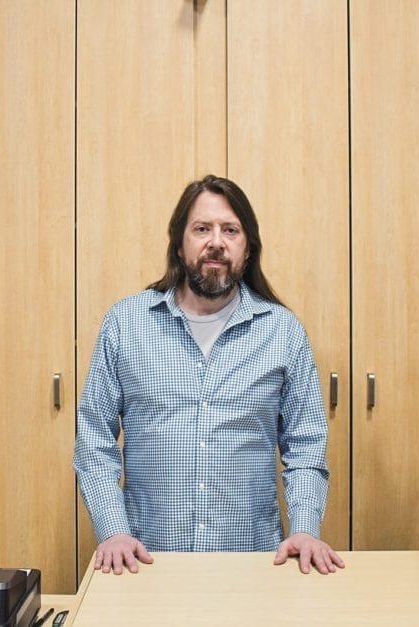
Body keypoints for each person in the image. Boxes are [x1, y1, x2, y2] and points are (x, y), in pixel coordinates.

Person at [73, 175, 344, 576]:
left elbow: (305, 448)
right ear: (179, 245)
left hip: (253, 564)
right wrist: (113, 531)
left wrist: (305, 528)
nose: (216, 241)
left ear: (247, 249)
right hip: (146, 563)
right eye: (202, 229)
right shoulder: (125, 324)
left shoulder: (283, 332)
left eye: (230, 230)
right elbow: (94, 440)